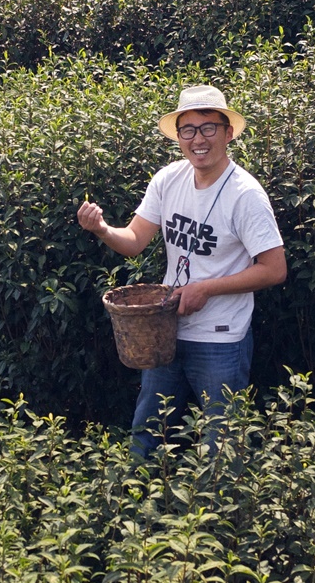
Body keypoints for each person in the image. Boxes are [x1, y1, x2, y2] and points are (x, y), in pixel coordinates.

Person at [76, 83, 287, 457]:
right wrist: (102, 229)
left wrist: (206, 289)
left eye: (208, 128)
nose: (198, 139)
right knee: (146, 436)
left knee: (220, 448)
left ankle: (222, 512)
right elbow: (135, 240)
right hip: (165, 332)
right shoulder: (168, 179)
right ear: (178, 137)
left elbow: (274, 269)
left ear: (228, 133)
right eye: (187, 130)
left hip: (221, 339)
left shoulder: (245, 195)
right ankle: (136, 509)